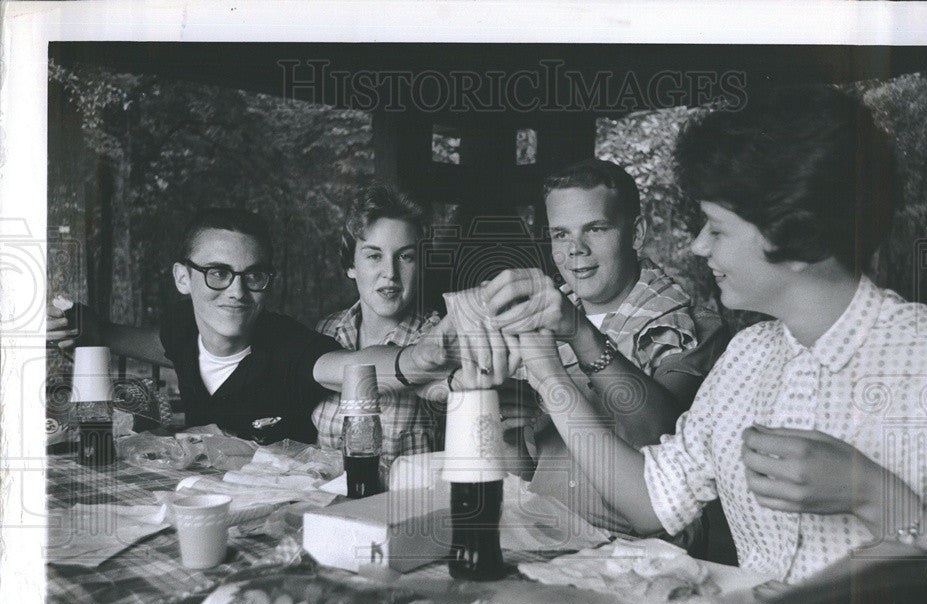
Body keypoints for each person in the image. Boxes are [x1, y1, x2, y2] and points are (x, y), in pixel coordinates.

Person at [516, 85, 927, 583]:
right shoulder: (747, 357)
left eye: (717, 229)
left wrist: (872, 493)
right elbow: (651, 501)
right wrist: (547, 372)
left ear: (797, 234)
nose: (697, 246)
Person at [47, 207, 455, 444]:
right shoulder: (181, 331)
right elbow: (139, 341)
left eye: (253, 275)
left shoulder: (290, 344)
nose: (237, 291)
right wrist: (88, 327)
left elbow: (354, 367)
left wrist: (420, 356)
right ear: (182, 278)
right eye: (218, 273)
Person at [473, 158, 729, 533]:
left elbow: (662, 438)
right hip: (546, 540)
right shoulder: (534, 323)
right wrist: (509, 432)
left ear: (636, 233)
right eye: (560, 234)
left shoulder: (696, 327)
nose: (575, 249)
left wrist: (579, 333)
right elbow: (527, 478)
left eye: (595, 228)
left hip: (640, 556)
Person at [311, 182, 442, 461]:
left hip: (406, 503)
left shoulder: (437, 338)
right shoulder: (325, 332)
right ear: (350, 265)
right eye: (374, 256)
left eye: (405, 257)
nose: (390, 273)